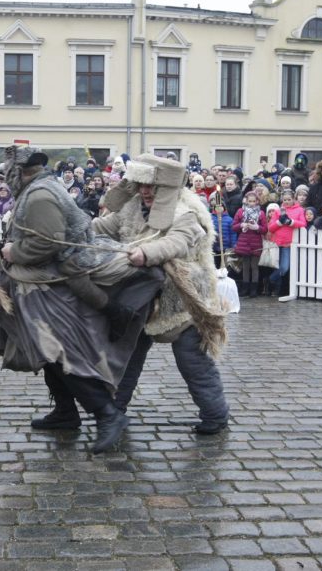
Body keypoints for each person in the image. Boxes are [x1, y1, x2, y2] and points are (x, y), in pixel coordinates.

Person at [0, 147, 162, 453]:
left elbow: (46, 243)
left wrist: (13, 252)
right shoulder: (40, 188)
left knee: (56, 351)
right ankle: (65, 412)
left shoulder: (39, 195)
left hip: (62, 276)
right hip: (52, 279)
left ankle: (107, 415)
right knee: (48, 352)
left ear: (18, 172)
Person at [90, 154, 229, 436]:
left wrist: (146, 253)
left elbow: (177, 242)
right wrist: (67, 227)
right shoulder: (131, 208)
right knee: (125, 358)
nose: (145, 191)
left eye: (151, 187)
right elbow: (100, 228)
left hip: (183, 300)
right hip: (139, 298)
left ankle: (215, 415)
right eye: (141, 185)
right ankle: (113, 414)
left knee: (192, 361)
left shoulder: (188, 212)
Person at [267, 189, 306, 296]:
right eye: (285, 200)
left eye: (289, 199)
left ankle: (271, 279)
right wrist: (279, 222)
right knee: (276, 266)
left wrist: (290, 222)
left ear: (293, 199)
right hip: (276, 243)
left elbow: (303, 224)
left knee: (284, 267)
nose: (287, 202)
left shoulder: (299, 210)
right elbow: (270, 227)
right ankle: (276, 290)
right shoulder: (278, 211)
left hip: (289, 244)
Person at [232, 191, 267, 297]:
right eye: (249, 201)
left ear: (257, 202)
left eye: (253, 201)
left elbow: (265, 229)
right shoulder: (240, 211)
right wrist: (242, 225)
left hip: (256, 242)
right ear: (246, 201)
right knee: (245, 266)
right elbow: (234, 226)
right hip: (244, 241)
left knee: (254, 266)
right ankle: (245, 288)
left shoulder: (261, 213)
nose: (251, 203)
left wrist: (257, 227)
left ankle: (254, 289)